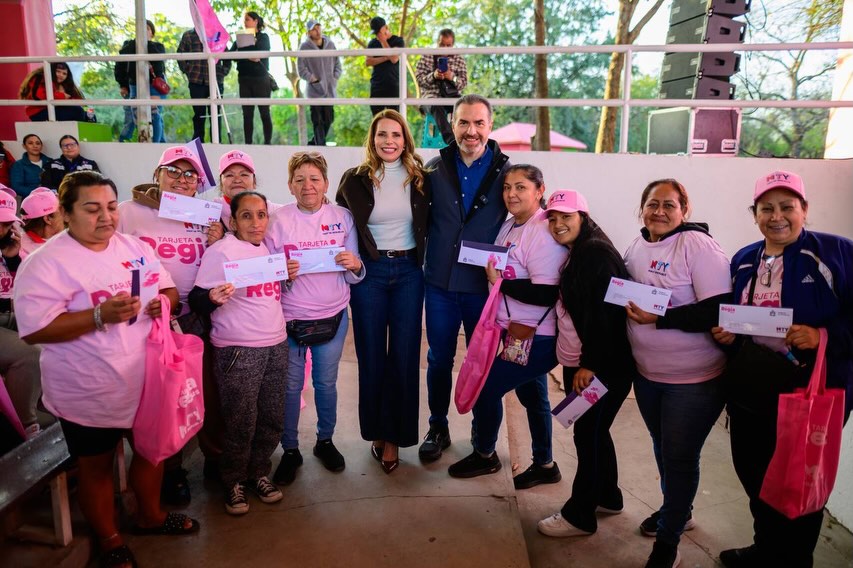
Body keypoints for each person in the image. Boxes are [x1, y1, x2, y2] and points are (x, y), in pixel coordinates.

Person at [13, 171, 199, 568]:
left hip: (147, 376)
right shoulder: (45, 264)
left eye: (111, 207)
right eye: (92, 209)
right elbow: (34, 330)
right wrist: (97, 315)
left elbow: (166, 289)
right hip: (88, 386)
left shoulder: (133, 246)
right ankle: (110, 537)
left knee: (152, 452)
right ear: (64, 213)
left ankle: (149, 516)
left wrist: (162, 305)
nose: (106, 218)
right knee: (95, 465)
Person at [712, 171, 853, 568]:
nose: (777, 216)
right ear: (754, 213)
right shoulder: (743, 260)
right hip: (752, 390)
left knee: (798, 485)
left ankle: (793, 561)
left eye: (787, 207)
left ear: (804, 210)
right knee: (754, 476)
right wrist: (729, 335)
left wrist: (824, 334)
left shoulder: (836, 253)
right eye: (767, 208)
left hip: (812, 394)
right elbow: (742, 321)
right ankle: (766, 550)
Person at [623, 178, 731, 568]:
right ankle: (678, 512)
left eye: (669, 205)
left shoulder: (698, 246)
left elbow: (719, 309)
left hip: (694, 380)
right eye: (653, 203)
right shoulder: (637, 245)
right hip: (649, 375)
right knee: (663, 448)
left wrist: (660, 315)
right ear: (642, 208)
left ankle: (667, 543)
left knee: (680, 456)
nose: (660, 211)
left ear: (684, 209)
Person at [447, 165, 567, 488]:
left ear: (540, 191)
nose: (511, 194)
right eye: (507, 188)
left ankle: (485, 455)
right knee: (533, 395)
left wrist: (500, 283)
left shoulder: (542, 232)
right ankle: (545, 463)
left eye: (521, 187)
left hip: (535, 336)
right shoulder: (512, 224)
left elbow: (546, 293)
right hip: (514, 331)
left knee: (487, 388)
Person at [535, 190, 636, 537]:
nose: (559, 224)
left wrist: (589, 364)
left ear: (583, 217)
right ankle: (608, 495)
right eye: (553, 217)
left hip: (599, 365)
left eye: (567, 216)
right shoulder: (582, 249)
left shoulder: (594, 254)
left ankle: (581, 515)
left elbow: (606, 313)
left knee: (587, 434)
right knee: (595, 431)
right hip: (593, 362)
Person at [335, 110, 429, 473]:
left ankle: (395, 439)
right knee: (371, 356)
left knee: (404, 357)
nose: (389, 141)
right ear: (372, 140)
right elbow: (337, 226)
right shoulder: (353, 180)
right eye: (381, 135)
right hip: (369, 273)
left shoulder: (421, 178)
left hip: (409, 272)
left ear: (405, 139)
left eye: (396, 135)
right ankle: (376, 431)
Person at [419, 93, 510, 462]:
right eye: (463, 123)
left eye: (478, 123)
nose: (471, 131)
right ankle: (437, 425)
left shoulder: (507, 173)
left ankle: (481, 436)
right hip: (439, 284)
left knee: (482, 361)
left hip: (481, 289)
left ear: (490, 126)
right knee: (440, 359)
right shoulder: (432, 168)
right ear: (453, 124)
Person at [116, 146, 209, 503]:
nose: (181, 180)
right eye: (173, 171)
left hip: (197, 317)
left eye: (189, 175)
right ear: (157, 174)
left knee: (196, 396)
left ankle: (208, 461)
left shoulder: (205, 214)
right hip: (147, 324)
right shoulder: (128, 212)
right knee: (159, 403)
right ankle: (170, 471)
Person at [265, 151, 364, 484]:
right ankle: (290, 449)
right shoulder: (277, 221)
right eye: (299, 179)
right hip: (289, 319)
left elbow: (355, 273)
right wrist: (283, 275)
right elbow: (266, 275)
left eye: (314, 178)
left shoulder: (344, 217)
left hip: (333, 316)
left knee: (326, 383)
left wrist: (355, 265)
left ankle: (325, 440)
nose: (307, 186)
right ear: (290, 186)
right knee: (291, 387)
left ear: (325, 183)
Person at [190, 191, 288, 515]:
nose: (256, 222)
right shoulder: (221, 252)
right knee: (240, 420)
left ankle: (259, 472)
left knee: (272, 415)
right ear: (233, 221)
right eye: (247, 215)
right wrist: (212, 298)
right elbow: (197, 299)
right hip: (238, 348)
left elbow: (271, 292)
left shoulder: (269, 249)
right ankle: (233, 480)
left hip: (276, 343)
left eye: (261, 214)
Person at [0, 186, 42, 435]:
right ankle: (25, 428)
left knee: (56, 332)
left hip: (10, 315)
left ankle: (47, 406)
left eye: (6, 224)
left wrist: (15, 259)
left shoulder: (10, 248)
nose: (3, 230)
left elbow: (27, 289)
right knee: (29, 353)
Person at [115, 19, 167, 143]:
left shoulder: (157, 46)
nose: (144, 31)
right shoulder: (130, 45)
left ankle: (157, 142)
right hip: (134, 83)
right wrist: (122, 84)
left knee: (155, 114)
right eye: (140, 29)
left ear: (152, 33)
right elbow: (121, 60)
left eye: (147, 29)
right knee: (134, 114)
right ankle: (134, 138)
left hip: (154, 84)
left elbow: (159, 63)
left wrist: (146, 43)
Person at [177, 28, 231, 143]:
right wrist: (189, 71)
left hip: (215, 80)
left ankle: (216, 141)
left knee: (216, 113)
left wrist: (222, 72)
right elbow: (180, 54)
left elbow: (227, 56)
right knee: (198, 113)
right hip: (196, 80)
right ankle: (198, 141)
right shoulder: (188, 35)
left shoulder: (217, 35)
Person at [415, 28, 468, 145]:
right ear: (437, 42)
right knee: (435, 104)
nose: (444, 48)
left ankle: (464, 138)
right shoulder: (426, 57)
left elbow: (463, 83)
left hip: (451, 96)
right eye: (442, 44)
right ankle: (451, 141)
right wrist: (433, 76)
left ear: (453, 45)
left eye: (448, 45)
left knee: (464, 107)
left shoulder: (459, 60)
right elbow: (419, 80)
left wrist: (452, 77)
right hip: (430, 96)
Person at [231, 12, 273, 145]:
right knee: (247, 114)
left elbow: (259, 55)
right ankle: (248, 143)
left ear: (256, 21)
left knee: (264, 113)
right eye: (244, 20)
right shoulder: (240, 38)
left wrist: (243, 54)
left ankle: (268, 143)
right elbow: (231, 55)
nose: (245, 22)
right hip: (244, 79)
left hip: (261, 79)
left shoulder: (263, 37)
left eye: (248, 19)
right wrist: (247, 54)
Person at [298, 20, 342, 146]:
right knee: (317, 120)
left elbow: (337, 63)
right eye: (314, 29)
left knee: (329, 119)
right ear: (308, 32)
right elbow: (301, 69)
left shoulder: (331, 44)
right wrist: (314, 79)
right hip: (314, 91)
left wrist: (335, 76)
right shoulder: (304, 47)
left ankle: (314, 142)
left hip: (329, 90)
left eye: (318, 27)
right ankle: (320, 146)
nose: (317, 31)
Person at [18, 62, 87, 122]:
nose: (61, 75)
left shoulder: (64, 84)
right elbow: (37, 96)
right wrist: (61, 96)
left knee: (89, 116)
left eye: (64, 73)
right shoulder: (39, 77)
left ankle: (81, 136)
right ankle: (74, 136)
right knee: (78, 111)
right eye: (58, 71)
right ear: (51, 70)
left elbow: (78, 100)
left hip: (54, 109)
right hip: (39, 112)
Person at [366, 17, 405, 116]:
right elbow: (368, 61)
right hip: (377, 86)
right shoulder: (372, 43)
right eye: (376, 33)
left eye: (379, 32)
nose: (377, 35)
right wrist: (386, 57)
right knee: (377, 118)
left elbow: (394, 59)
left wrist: (383, 41)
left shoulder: (398, 41)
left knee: (395, 118)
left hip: (393, 86)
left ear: (386, 27)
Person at [20, 187, 64, 254]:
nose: (66, 215)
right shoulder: (23, 252)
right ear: (48, 219)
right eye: (61, 211)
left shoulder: (69, 238)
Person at [10, 134, 52, 198]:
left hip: (51, 200)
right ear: (24, 146)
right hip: (30, 202)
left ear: (41, 146)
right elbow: (17, 187)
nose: (35, 146)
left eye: (38, 143)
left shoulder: (50, 162)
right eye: (30, 143)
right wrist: (38, 193)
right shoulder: (18, 165)